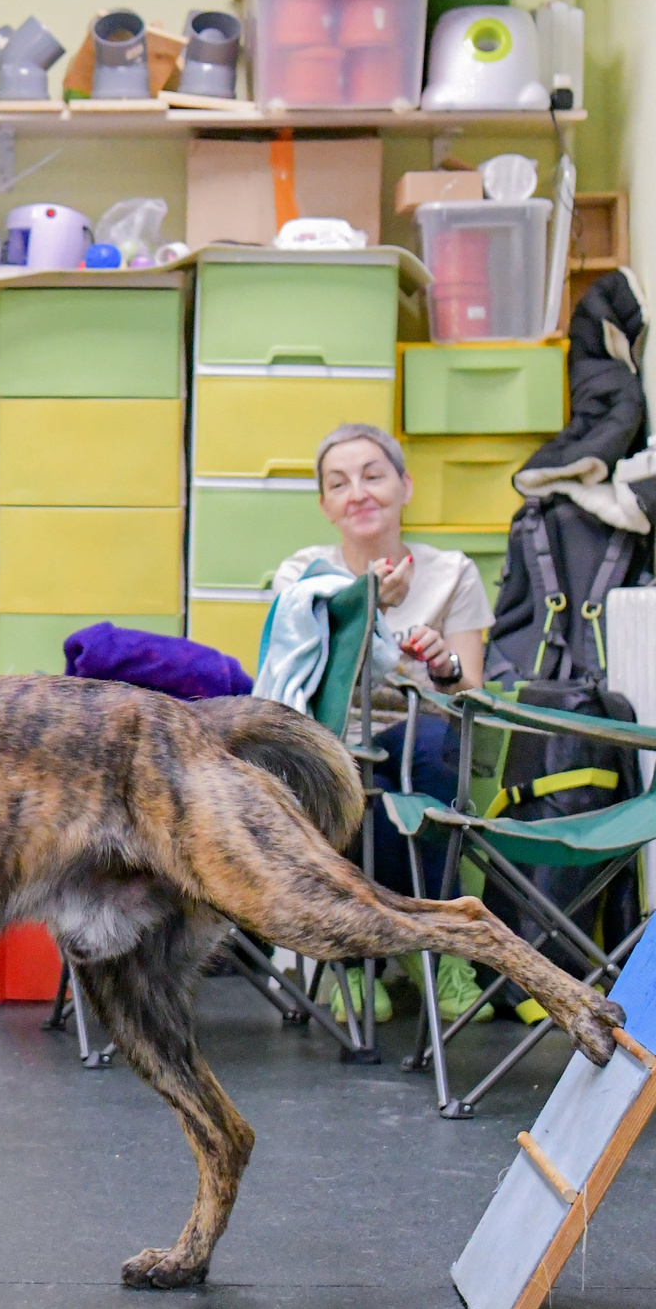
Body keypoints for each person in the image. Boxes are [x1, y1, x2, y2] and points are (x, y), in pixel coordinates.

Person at [269, 422, 493, 1024]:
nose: (358, 492)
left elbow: (471, 693)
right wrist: (372, 604)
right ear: (325, 505)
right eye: (339, 483)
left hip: (425, 731)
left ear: (405, 485)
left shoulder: (452, 572)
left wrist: (443, 662)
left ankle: (449, 952)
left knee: (433, 752)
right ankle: (350, 960)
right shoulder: (303, 577)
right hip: (334, 737)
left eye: (373, 475)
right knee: (340, 773)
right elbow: (306, 681)